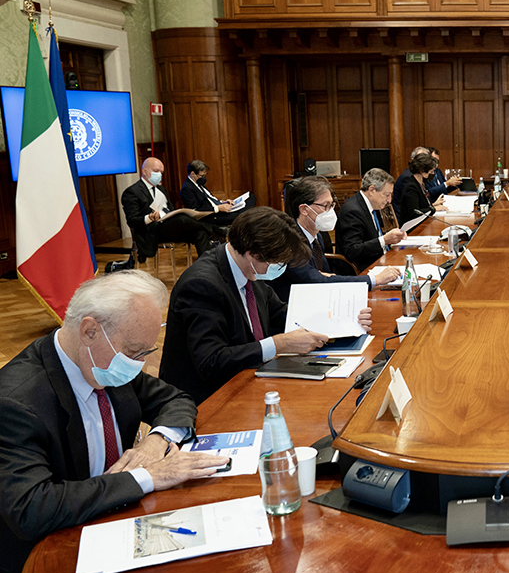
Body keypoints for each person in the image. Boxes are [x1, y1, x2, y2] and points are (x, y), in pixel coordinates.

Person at [0, 271, 228, 573]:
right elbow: (31, 507)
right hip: (43, 562)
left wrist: (156, 441)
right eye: (135, 352)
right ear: (90, 330)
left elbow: (176, 399)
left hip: (113, 524)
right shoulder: (17, 401)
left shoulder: (102, 363)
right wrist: (149, 477)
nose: (139, 364)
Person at [160, 207, 372, 404]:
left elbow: (284, 315)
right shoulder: (201, 285)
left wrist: (344, 320)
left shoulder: (248, 270)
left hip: (248, 381)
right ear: (252, 254)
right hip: (207, 399)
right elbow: (211, 362)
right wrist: (278, 344)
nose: (278, 268)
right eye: (276, 262)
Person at [268, 176, 398, 303]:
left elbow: (326, 275)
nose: (330, 211)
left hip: (320, 297)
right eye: (325, 206)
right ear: (304, 210)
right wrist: (374, 279)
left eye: (331, 205)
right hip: (294, 306)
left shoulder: (317, 233)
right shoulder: (289, 242)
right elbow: (316, 280)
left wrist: (325, 277)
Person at [122, 157, 215, 263]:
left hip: (169, 227)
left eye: (161, 172)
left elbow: (171, 210)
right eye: (156, 171)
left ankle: (207, 264)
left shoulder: (161, 189)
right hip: (150, 232)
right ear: (144, 171)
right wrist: (149, 218)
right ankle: (214, 229)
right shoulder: (132, 192)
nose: (159, 175)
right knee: (181, 219)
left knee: (200, 232)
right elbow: (132, 220)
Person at [336, 167, 408, 271]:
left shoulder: (370, 205)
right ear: (372, 190)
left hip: (379, 259)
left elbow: (370, 235)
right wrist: (384, 240)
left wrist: (392, 236)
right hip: (363, 269)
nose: (389, 200)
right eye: (387, 195)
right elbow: (352, 251)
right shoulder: (352, 211)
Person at [180, 159, 254, 229]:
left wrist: (223, 202)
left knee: (251, 197)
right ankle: (241, 220)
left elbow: (210, 199)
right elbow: (195, 212)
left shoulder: (198, 183)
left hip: (218, 208)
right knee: (245, 214)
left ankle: (241, 219)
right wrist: (218, 208)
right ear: (193, 174)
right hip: (212, 216)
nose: (203, 178)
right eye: (202, 176)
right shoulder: (187, 188)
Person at [398, 151, 444, 223]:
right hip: (411, 226)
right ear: (422, 171)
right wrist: (433, 209)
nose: (433, 174)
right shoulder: (411, 187)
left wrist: (434, 204)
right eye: (431, 171)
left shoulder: (422, 183)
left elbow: (423, 206)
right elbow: (415, 212)